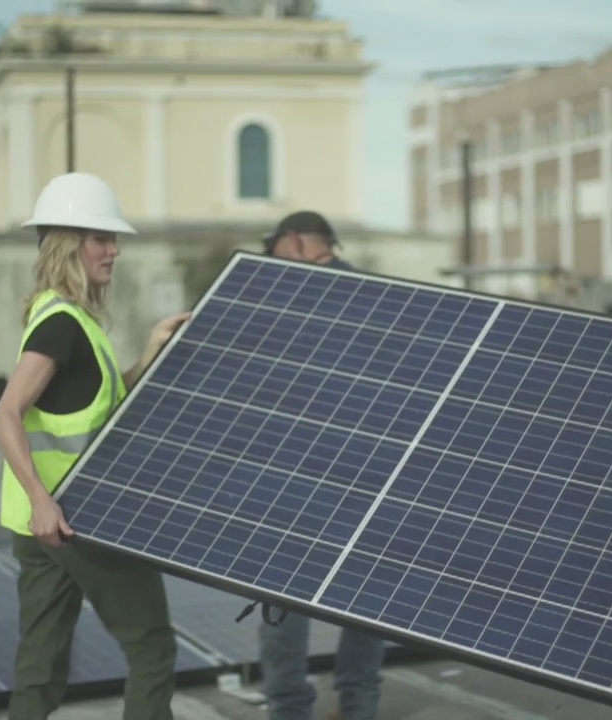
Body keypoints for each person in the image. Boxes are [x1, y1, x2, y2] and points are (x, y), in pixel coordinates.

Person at [0, 171, 190, 720]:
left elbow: (97, 405)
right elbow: (6, 414)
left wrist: (150, 350)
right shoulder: (60, 325)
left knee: (41, 663)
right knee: (151, 646)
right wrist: (43, 500)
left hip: (42, 526)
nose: (114, 250)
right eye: (101, 239)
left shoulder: (65, 317)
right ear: (66, 244)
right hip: (78, 516)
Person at [257, 210, 386, 720]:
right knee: (367, 600)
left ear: (293, 243)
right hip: (368, 475)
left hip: (294, 477)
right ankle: (359, 707)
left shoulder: (281, 300)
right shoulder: (380, 299)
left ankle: (289, 710)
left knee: (282, 602)